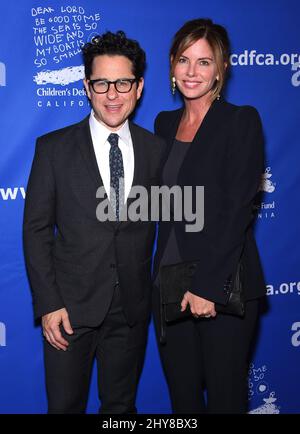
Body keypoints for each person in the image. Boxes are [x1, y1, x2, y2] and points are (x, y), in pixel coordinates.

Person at [23, 30, 165, 414]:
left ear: (138, 87)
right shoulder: (53, 149)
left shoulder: (156, 150)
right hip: (69, 310)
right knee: (65, 406)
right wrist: (49, 304)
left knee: (120, 409)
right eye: (102, 83)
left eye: (123, 82)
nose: (112, 94)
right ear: (87, 87)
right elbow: (36, 231)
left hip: (131, 308)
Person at [152, 18, 266, 414]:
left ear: (221, 68)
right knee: (183, 402)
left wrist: (206, 286)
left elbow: (237, 211)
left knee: (224, 399)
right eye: (184, 60)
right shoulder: (164, 124)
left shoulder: (240, 120)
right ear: (171, 65)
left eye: (204, 62)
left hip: (222, 286)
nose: (192, 72)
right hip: (169, 285)